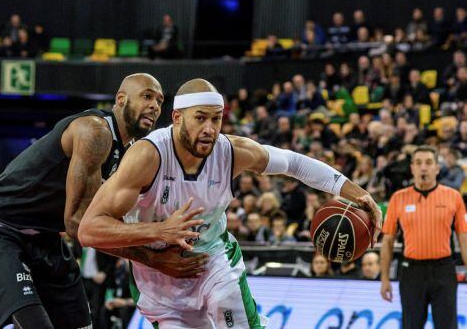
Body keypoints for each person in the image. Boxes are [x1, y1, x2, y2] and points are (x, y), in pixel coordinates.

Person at [79, 78, 380, 328]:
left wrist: (356, 193)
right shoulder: (148, 156)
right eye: (201, 118)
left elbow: (294, 163)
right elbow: (89, 230)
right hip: (157, 279)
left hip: (213, 262)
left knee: (228, 304)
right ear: (177, 117)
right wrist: (157, 233)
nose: (210, 128)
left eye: (216, 118)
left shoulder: (231, 151)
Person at [0, 73, 208, 329]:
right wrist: (153, 251)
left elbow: (118, 222)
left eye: (159, 100)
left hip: (45, 239)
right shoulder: (95, 131)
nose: (155, 106)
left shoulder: (136, 150)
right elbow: (79, 225)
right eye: (147, 96)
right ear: (121, 100)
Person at [380, 146, 467, 329]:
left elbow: (464, 239)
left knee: (447, 326)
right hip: (412, 272)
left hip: (443, 270)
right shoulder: (398, 198)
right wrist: (385, 278)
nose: (423, 168)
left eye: (428, 162)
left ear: (437, 168)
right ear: (412, 168)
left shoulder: (453, 197)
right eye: (418, 163)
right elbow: (387, 241)